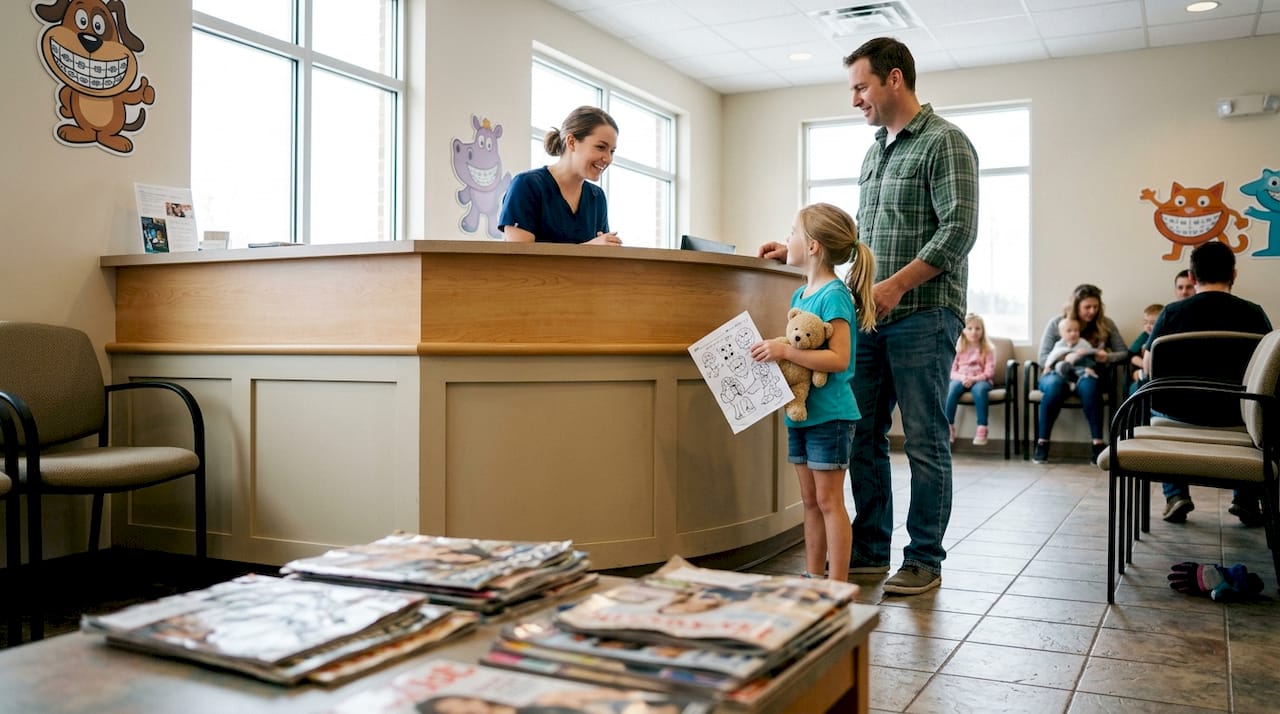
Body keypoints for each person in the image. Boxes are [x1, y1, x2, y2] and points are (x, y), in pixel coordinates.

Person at [759, 37, 979, 596]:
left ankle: (924, 557)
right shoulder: (875, 151)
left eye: (861, 87)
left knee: (926, 440)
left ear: (894, 79)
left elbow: (958, 231)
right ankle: (872, 546)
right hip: (869, 315)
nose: (855, 99)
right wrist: (799, 250)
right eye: (853, 89)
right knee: (861, 435)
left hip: (925, 314)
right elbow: (857, 240)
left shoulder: (945, 142)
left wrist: (894, 287)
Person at [750, 203, 876, 583]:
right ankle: (812, 576)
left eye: (792, 233)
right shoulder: (800, 295)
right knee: (809, 502)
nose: (787, 239)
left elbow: (839, 358)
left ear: (814, 246)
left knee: (828, 502)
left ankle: (836, 585)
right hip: (801, 413)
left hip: (831, 417)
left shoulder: (834, 295)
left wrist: (786, 351)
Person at [1145, 241, 1273, 525]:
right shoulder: (1254, 314)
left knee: (1153, 403)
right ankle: (1246, 499)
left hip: (1178, 416)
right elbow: (1268, 372)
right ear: (1234, 275)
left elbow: (1149, 369)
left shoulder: (1171, 314)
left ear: (1191, 277)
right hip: (1237, 417)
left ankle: (1176, 494)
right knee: (1263, 414)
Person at [1031, 284, 1128, 465]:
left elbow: (1124, 353)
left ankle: (1097, 444)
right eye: (1087, 307)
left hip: (1088, 373)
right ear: (1076, 306)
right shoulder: (1057, 323)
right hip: (1057, 373)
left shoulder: (1105, 325)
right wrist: (1066, 358)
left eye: (1096, 307)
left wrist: (1106, 357)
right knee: (1053, 386)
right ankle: (1042, 442)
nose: (1092, 311)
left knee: (1090, 385)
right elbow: (1043, 358)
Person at [499, 106, 622, 245]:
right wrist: (589, 248)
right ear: (571, 142)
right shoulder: (526, 185)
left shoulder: (597, 197)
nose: (608, 158)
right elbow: (520, 258)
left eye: (612, 151)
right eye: (600, 147)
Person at [944, 313, 995, 446]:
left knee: (980, 391)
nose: (974, 332)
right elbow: (952, 371)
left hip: (980, 381)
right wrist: (964, 378)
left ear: (983, 331)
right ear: (963, 330)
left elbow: (989, 372)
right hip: (961, 379)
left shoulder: (988, 349)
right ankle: (948, 426)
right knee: (952, 388)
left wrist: (973, 379)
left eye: (978, 328)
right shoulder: (958, 348)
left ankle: (982, 427)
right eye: (970, 328)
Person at [1045, 317, 1099, 388]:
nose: (1073, 334)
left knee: (1087, 361)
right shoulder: (1059, 344)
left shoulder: (1082, 342)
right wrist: (1047, 366)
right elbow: (1053, 356)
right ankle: (1068, 383)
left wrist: (1085, 352)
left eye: (1076, 330)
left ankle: (1085, 373)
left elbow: (1094, 351)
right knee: (1060, 365)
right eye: (1069, 331)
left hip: (1080, 367)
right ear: (1061, 334)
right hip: (1066, 370)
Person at [1127, 303, 1163, 395]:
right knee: (1136, 383)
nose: (1148, 326)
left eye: (1152, 323)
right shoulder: (1144, 336)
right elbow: (1131, 355)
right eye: (1145, 322)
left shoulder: (1165, 338)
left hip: (1160, 374)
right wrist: (1144, 364)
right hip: (1144, 371)